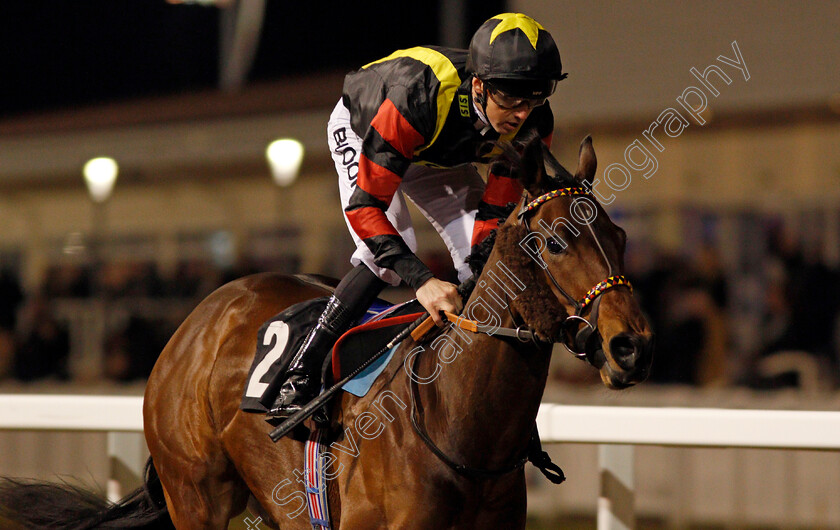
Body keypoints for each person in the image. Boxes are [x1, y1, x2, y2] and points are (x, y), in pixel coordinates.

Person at [268, 13, 567, 419]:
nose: (521, 114)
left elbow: (495, 214)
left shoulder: (535, 122)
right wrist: (423, 282)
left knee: (488, 265)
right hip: (369, 129)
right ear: (478, 85)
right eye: (510, 99)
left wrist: (478, 266)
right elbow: (365, 209)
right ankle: (300, 370)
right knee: (389, 259)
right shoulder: (419, 93)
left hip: (436, 151)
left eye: (534, 99)